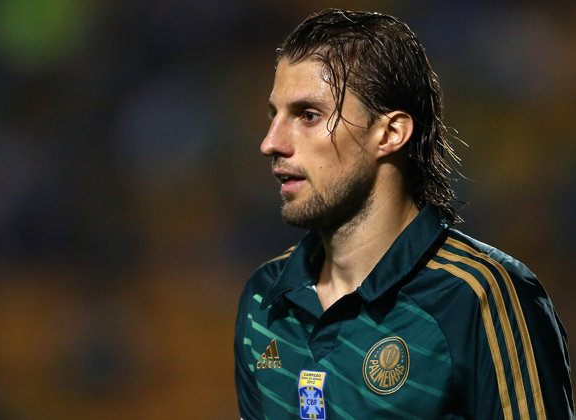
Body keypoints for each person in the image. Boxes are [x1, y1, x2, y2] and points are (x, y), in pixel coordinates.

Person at [234, 8, 574, 420]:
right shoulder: (265, 300)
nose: (271, 142)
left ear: (390, 133)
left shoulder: (477, 295)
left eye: (308, 115)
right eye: (275, 115)